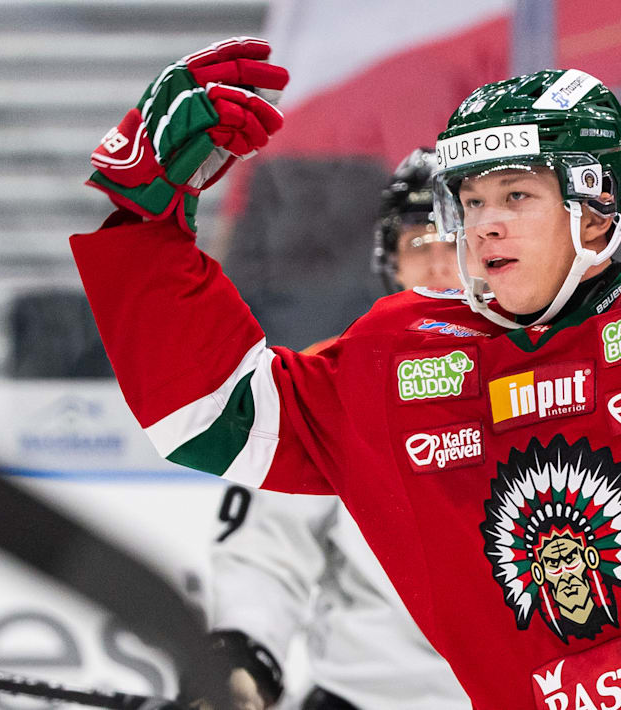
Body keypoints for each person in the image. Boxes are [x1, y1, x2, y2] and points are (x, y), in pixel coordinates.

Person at [74, 36, 621, 709]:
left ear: (596, 204)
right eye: (471, 201)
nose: (482, 227)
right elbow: (212, 416)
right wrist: (145, 220)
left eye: (516, 196)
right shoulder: (402, 354)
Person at [202, 148, 470, 710]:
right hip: (365, 699)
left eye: (458, 244)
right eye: (419, 244)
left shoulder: (565, 373)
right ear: (390, 262)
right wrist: (245, 659)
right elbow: (266, 551)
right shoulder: (334, 380)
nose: (440, 268)